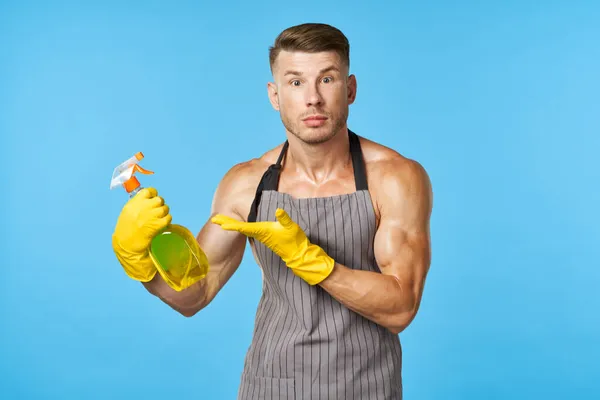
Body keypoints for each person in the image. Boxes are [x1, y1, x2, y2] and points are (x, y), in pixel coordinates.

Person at [112, 22, 433, 400]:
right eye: (295, 82)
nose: (313, 98)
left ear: (350, 90)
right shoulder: (247, 184)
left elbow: (401, 307)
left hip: (365, 387)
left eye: (326, 80)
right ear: (275, 95)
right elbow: (194, 294)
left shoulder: (394, 178)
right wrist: (142, 264)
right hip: (269, 385)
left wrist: (313, 262)